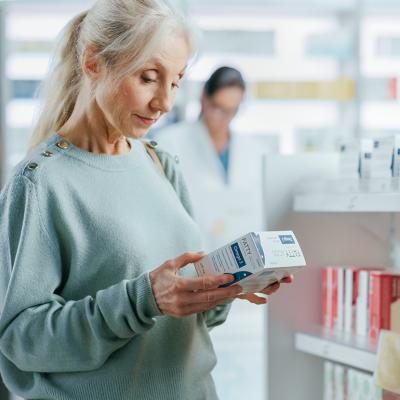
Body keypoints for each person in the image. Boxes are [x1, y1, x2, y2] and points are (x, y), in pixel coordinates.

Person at [0, 1, 291, 400]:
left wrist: (225, 287)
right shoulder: (40, 183)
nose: (165, 103)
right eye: (149, 77)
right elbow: (21, 340)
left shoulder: (160, 163)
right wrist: (142, 300)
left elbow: (181, 311)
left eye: (175, 82)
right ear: (93, 63)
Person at [155, 66, 270, 252]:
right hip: (190, 258)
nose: (223, 118)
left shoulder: (255, 151)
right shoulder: (170, 143)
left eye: (231, 111)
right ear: (204, 98)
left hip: (244, 261)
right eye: (218, 108)